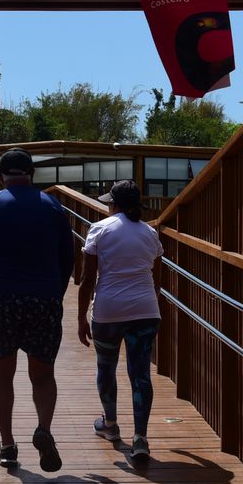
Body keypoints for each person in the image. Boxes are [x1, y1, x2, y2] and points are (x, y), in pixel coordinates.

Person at [0, 148, 75, 472]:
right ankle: (43, 429)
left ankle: (8, 445)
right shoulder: (52, 206)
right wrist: (56, 294)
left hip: (3, 299)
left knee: (2, 373)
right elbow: (68, 257)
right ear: (31, 174)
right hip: (44, 298)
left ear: (0, 175)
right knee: (43, 374)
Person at [76, 180, 163, 460]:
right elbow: (156, 280)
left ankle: (110, 425)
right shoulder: (150, 232)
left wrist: (80, 316)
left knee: (106, 366)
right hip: (145, 311)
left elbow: (88, 279)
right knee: (140, 374)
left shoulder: (100, 229)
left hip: (108, 311)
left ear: (113, 205)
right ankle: (141, 438)